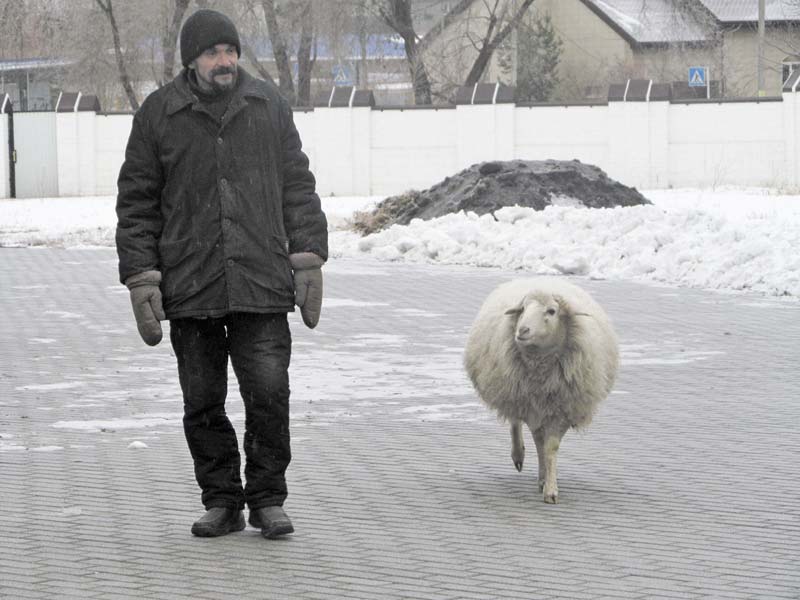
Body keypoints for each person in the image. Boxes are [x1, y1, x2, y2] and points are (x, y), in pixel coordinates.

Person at [115, 8, 327, 539]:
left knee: (269, 394)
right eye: (213, 52)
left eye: (231, 51)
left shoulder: (267, 105)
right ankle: (222, 501)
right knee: (203, 402)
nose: (225, 60)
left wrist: (308, 258)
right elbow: (137, 203)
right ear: (192, 60)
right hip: (191, 284)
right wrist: (142, 276)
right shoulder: (159, 115)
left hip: (260, 281)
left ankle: (268, 499)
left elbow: (297, 186)